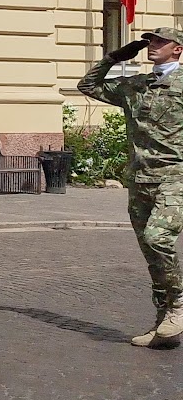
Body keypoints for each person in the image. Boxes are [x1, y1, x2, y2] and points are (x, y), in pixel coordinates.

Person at [77, 27, 183, 349]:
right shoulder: (136, 85)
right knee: (151, 254)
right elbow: (88, 86)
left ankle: (178, 305)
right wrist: (112, 58)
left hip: (174, 177)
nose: (152, 46)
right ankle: (163, 323)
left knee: (158, 238)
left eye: (160, 42)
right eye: (151, 41)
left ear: (177, 50)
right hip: (138, 181)